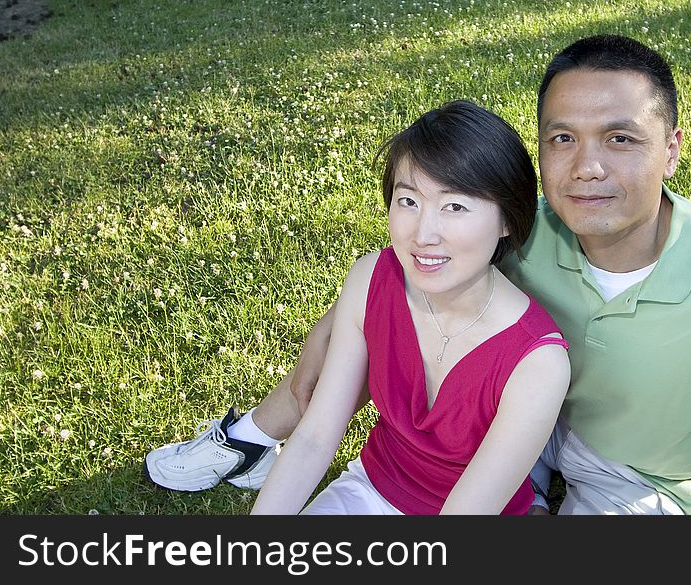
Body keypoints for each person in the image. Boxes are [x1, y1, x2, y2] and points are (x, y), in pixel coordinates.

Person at [145, 34, 691, 515]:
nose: (588, 166)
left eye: (620, 138)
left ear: (673, 148)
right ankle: (254, 436)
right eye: (563, 138)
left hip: (637, 476)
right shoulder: (529, 226)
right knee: (350, 346)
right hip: (507, 430)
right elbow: (416, 259)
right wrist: (330, 344)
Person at [152, 99, 571, 514]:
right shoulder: (373, 278)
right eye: (408, 201)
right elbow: (316, 436)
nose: (423, 233)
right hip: (370, 491)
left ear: (507, 221)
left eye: (455, 206)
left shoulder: (539, 362)